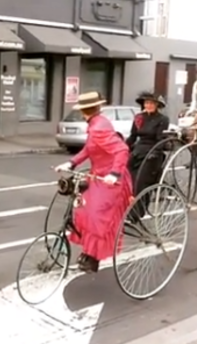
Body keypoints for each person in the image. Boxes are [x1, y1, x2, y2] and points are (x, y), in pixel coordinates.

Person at [54, 92, 132, 273]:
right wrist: (71, 163)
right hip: (97, 177)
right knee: (83, 210)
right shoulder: (95, 124)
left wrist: (114, 173)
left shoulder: (99, 127)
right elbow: (89, 150)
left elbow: (122, 150)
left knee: (97, 216)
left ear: (84, 111)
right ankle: (90, 254)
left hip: (111, 181)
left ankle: (94, 257)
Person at [126, 91, 169, 215]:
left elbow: (161, 139)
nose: (148, 105)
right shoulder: (139, 118)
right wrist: (122, 148)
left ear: (157, 105)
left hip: (152, 152)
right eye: (146, 103)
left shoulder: (162, 119)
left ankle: (137, 213)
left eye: (151, 103)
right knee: (128, 180)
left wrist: (154, 152)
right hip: (138, 151)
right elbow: (132, 137)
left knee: (140, 183)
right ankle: (125, 209)